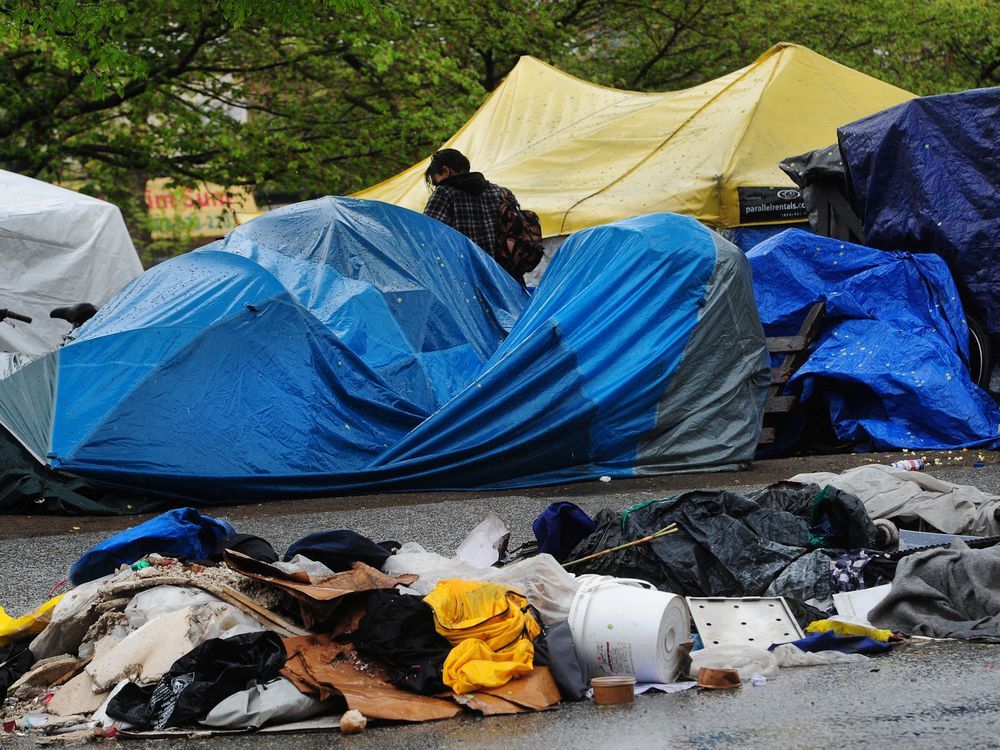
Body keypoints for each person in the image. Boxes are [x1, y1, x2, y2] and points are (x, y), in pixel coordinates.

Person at [422, 148, 508, 255]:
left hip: (460, 268)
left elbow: (427, 235)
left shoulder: (444, 193)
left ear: (446, 170)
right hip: (495, 269)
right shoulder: (498, 192)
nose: (437, 186)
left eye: (436, 181)